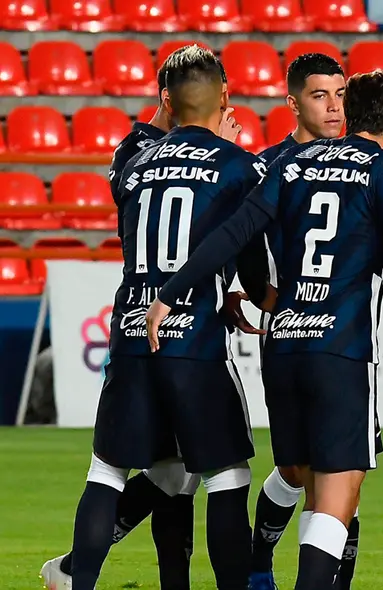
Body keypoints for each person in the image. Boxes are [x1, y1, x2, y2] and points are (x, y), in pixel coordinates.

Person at [146, 69, 383, 590]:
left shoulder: (294, 163)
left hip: (283, 344)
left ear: (350, 112)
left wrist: (171, 291)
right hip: (340, 348)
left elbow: (235, 230)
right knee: (337, 495)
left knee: (301, 476)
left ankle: (261, 564)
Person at [41, 46, 246, 590]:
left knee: (115, 469)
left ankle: (76, 579)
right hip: (194, 338)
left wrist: (167, 116)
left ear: (166, 101)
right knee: (226, 474)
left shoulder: (134, 163)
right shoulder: (237, 165)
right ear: (225, 96)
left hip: (132, 331)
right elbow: (243, 235)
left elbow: (132, 164)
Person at [245, 51, 354, 590]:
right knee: (296, 471)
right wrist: (253, 291)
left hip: (346, 341)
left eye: (341, 95)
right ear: (292, 102)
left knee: (338, 479)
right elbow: (240, 236)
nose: (335, 107)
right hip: (286, 335)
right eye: (320, 96)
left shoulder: (364, 161)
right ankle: (259, 557)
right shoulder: (267, 166)